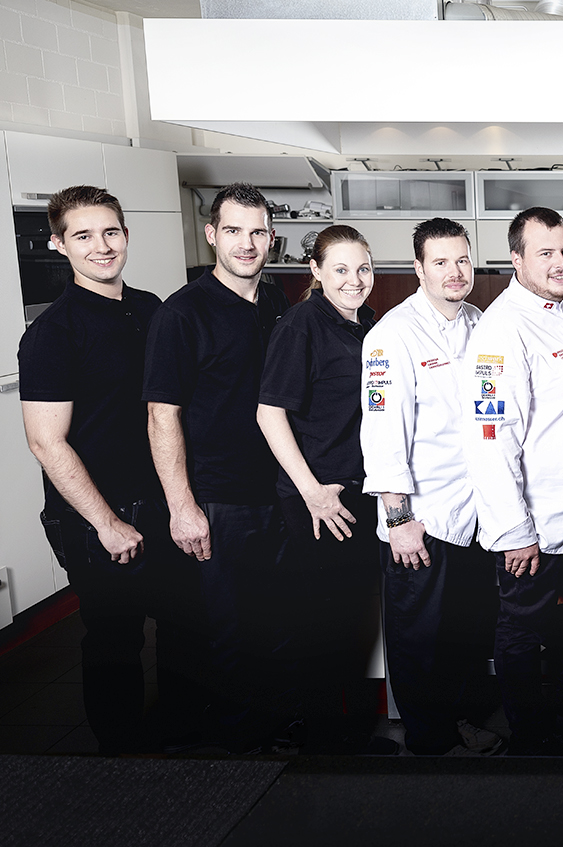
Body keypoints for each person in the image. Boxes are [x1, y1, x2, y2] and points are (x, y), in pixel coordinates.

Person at [18, 185, 167, 754]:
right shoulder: (53, 334)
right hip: (96, 517)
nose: (101, 246)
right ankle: (118, 764)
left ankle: (184, 738)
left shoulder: (151, 309)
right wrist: (106, 523)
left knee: (184, 622)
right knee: (115, 640)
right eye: (83, 235)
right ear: (60, 245)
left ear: (126, 235)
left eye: (110, 232)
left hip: (159, 500)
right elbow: (45, 441)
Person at [143, 182, 288, 751]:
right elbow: (162, 415)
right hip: (219, 498)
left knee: (272, 621)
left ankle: (270, 730)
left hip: (277, 492)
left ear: (271, 239)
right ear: (211, 235)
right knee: (228, 630)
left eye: (257, 232)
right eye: (233, 230)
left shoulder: (275, 301)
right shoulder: (182, 313)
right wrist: (182, 506)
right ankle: (237, 754)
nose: (246, 243)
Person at [465, 207, 563, 756]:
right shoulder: (500, 330)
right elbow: (490, 438)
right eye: (545, 253)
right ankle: (530, 738)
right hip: (533, 520)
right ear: (516, 260)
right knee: (522, 631)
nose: (560, 262)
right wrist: (514, 529)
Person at [359, 218, 502, 757]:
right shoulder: (392, 335)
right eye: (440, 262)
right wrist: (398, 521)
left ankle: (461, 724)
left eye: (462, 259)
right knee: (420, 638)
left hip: (473, 515)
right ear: (418, 268)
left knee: (465, 633)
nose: (455, 271)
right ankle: (428, 746)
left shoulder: (479, 323)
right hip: (421, 519)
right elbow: (383, 433)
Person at [257, 224, 392, 754]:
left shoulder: (367, 324)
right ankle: (323, 743)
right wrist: (312, 491)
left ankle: (350, 735)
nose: (354, 279)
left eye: (363, 268)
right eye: (340, 269)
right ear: (315, 271)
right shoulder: (302, 326)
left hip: (355, 493)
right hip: (319, 499)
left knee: (352, 618)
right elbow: (270, 415)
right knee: (324, 622)